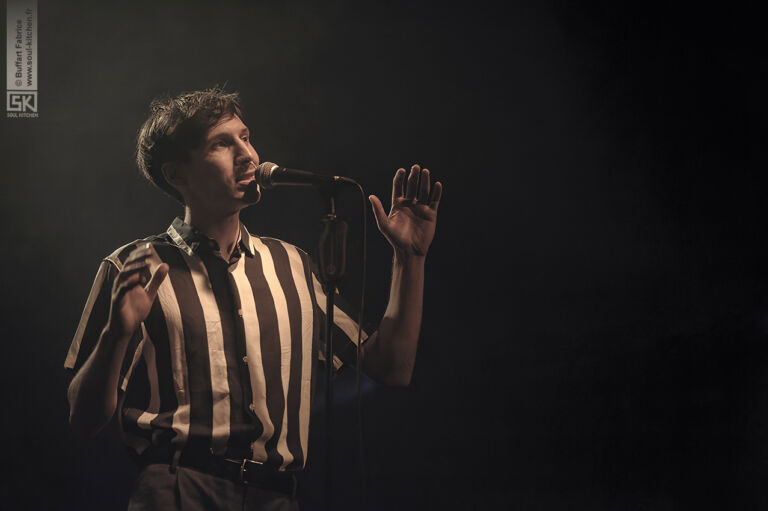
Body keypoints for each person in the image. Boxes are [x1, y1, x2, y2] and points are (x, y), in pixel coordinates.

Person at [64, 87, 442, 510]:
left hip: (277, 496)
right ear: (176, 175)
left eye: (245, 137)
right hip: (179, 491)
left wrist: (411, 259)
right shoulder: (132, 267)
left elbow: (391, 367)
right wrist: (117, 334)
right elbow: (83, 419)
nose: (248, 154)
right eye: (222, 143)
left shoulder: (293, 265)